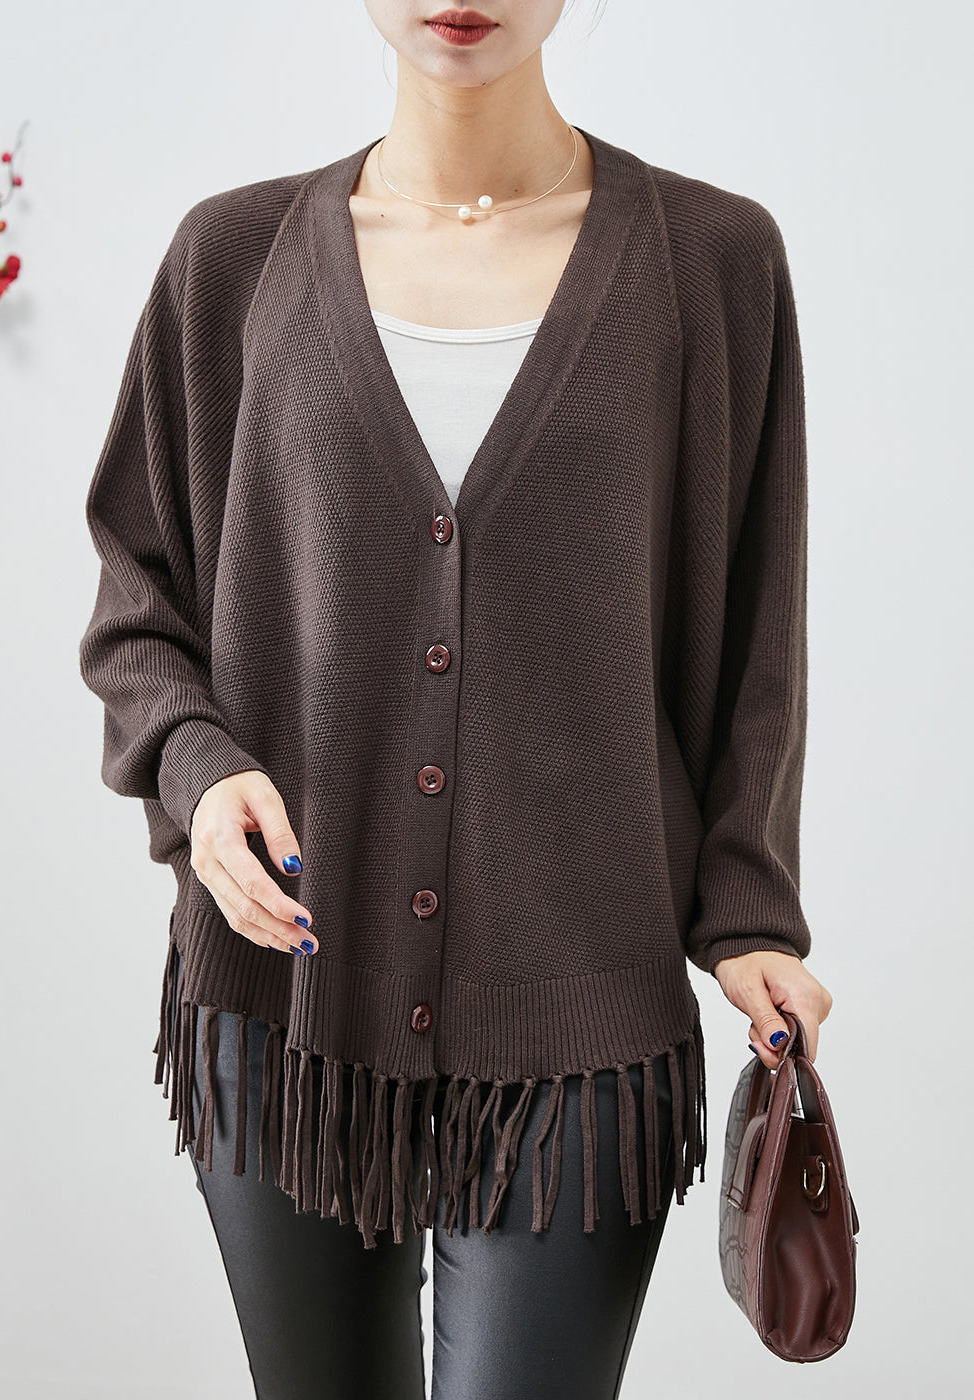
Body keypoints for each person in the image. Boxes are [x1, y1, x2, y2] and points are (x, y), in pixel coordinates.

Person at [78, 3, 833, 1397]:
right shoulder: (232, 261)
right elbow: (139, 593)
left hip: (580, 1004)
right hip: (287, 1004)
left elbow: (755, 632)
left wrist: (745, 913)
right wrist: (198, 767)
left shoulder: (711, 262)